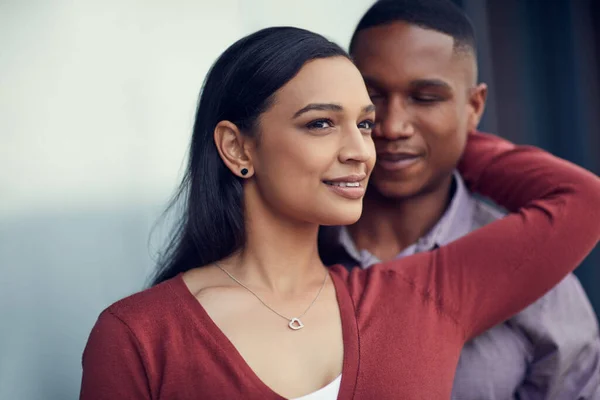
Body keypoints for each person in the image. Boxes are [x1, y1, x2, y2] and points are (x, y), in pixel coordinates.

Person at [79, 26, 600, 400]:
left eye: (364, 125)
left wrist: (450, 138)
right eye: (322, 124)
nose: (364, 150)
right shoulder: (138, 336)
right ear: (238, 149)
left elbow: (584, 201)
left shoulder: (428, 296)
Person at [319, 1, 600, 398]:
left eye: (426, 97)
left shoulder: (531, 260)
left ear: (474, 107)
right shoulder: (300, 246)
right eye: (372, 95)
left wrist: (466, 150)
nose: (392, 126)